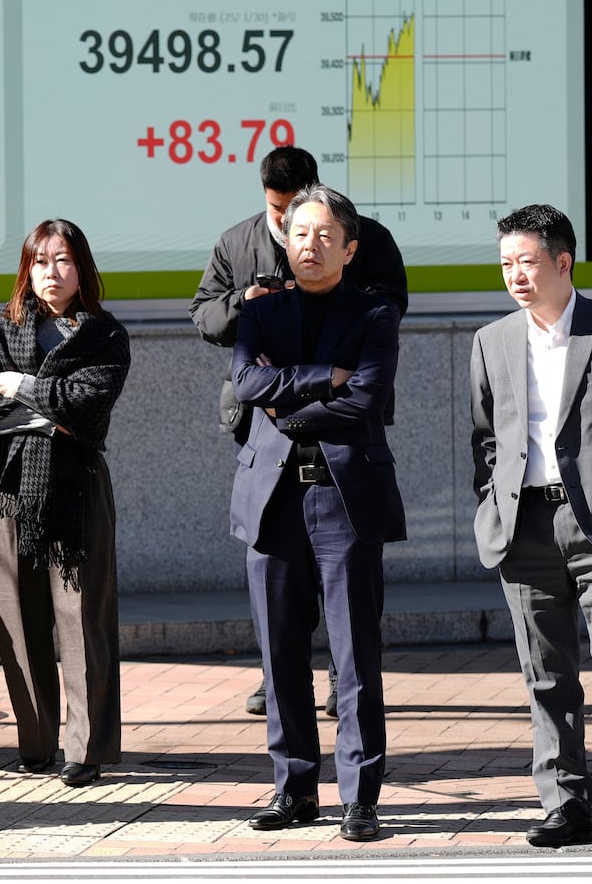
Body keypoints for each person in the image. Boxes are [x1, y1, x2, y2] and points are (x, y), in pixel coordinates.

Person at [470, 204, 592, 850]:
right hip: (523, 526)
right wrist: (491, 507)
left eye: (526, 262)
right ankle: (565, 803)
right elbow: (486, 440)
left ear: (563, 262)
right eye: (506, 264)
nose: (515, 276)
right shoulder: (492, 341)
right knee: (545, 674)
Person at [191, 146, 408, 717]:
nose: (297, 234)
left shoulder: (365, 238)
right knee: (278, 576)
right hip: (262, 430)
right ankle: (275, 674)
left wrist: (307, 378)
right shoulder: (236, 241)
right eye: (280, 216)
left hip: (341, 435)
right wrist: (247, 302)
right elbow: (207, 318)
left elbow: (383, 319)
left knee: (346, 579)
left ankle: (343, 677)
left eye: (305, 218)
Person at [229, 185, 404, 842]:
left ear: (349, 248)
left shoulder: (375, 314)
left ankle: (361, 796)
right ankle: (294, 787)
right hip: (272, 501)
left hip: (343, 501)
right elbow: (247, 385)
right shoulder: (260, 313)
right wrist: (323, 377)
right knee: (279, 655)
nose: (311, 244)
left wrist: (288, 397)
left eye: (326, 235)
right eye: (300, 233)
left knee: (355, 654)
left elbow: (365, 401)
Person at [0, 219, 131, 788]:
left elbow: (88, 409)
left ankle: (85, 750)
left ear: (81, 268)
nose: (50, 273)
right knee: (17, 616)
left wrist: (23, 387)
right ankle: (36, 743)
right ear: (25, 270)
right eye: (39, 261)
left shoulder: (105, 334)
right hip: (11, 490)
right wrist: (51, 417)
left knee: (83, 621)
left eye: (62, 261)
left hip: (78, 489)